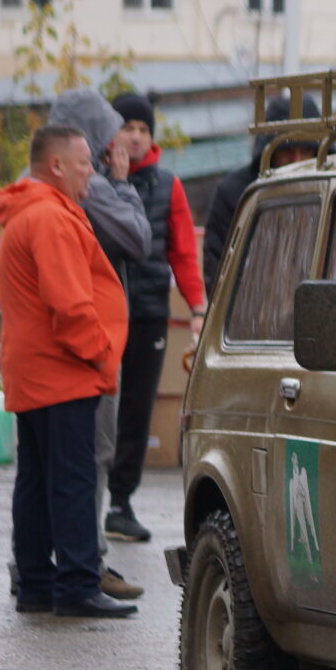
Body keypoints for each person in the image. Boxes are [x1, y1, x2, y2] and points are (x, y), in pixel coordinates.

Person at [0, 125, 137, 618]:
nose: (92, 173)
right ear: (55, 166)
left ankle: (35, 582)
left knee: (34, 481)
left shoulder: (24, 214)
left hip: (32, 373)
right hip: (64, 372)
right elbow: (70, 305)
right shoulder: (51, 219)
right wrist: (103, 356)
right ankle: (77, 584)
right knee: (73, 480)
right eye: (83, 164)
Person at [45, 88, 151, 600]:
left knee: (57, 460)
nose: (116, 143)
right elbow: (138, 239)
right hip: (91, 346)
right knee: (91, 455)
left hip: (76, 347)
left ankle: (55, 562)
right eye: (106, 133)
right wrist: (122, 182)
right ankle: (83, 566)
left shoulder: (44, 187)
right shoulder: (90, 185)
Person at [105, 92, 207, 543]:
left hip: (147, 313)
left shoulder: (170, 185)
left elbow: (184, 253)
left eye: (144, 129)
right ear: (113, 132)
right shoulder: (93, 178)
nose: (136, 136)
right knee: (99, 406)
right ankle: (90, 498)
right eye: (129, 127)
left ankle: (121, 502)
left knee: (136, 410)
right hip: (102, 313)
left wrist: (197, 308)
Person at [202, 94, 321, 293]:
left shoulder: (332, 190)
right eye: (288, 152)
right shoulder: (237, 194)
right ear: (270, 151)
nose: (297, 160)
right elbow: (218, 270)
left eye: (306, 150)